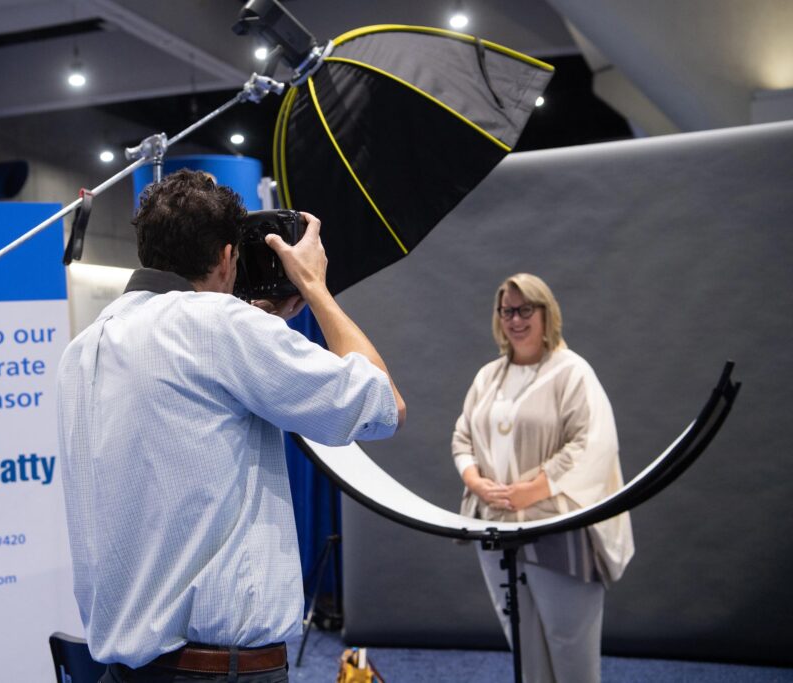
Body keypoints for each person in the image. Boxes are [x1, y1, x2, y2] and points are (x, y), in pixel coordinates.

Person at [57, 169, 406, 683]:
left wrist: (264, 326)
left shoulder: (83, 347)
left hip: (123, 668)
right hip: (217, 672)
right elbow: (382, 405)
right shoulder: (222, 328)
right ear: (226, 256)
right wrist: (314, 286)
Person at [450, 273, 634, 683]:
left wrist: (532, 491)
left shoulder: (572, 372)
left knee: (570, 649)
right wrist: (477, 482)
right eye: (507, 311)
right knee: (524, 646)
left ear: (546, 313)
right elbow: (463, 436)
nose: (515, 320)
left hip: (557, 530)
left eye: (524, 309)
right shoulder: (488, 377)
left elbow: (592, 443)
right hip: (496, 527)